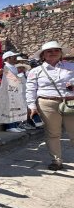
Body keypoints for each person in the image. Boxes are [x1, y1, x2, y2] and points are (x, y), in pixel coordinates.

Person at [26, 41, 74, 171]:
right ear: (43, 55)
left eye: (56, 50)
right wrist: (32, 106)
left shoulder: (71, 66)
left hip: (70, 102)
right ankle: (56, 160)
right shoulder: (35, 71)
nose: (53, 53)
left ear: (61, 53)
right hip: (47, 103)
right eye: (49, 51)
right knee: (53, 133)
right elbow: (30, 89)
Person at [3, 51, 27, 133]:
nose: (15, 58)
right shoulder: (5, 66)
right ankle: (9, 126)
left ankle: (15, 125)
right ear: (8, 58)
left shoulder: (12, 66)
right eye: (13, 57)